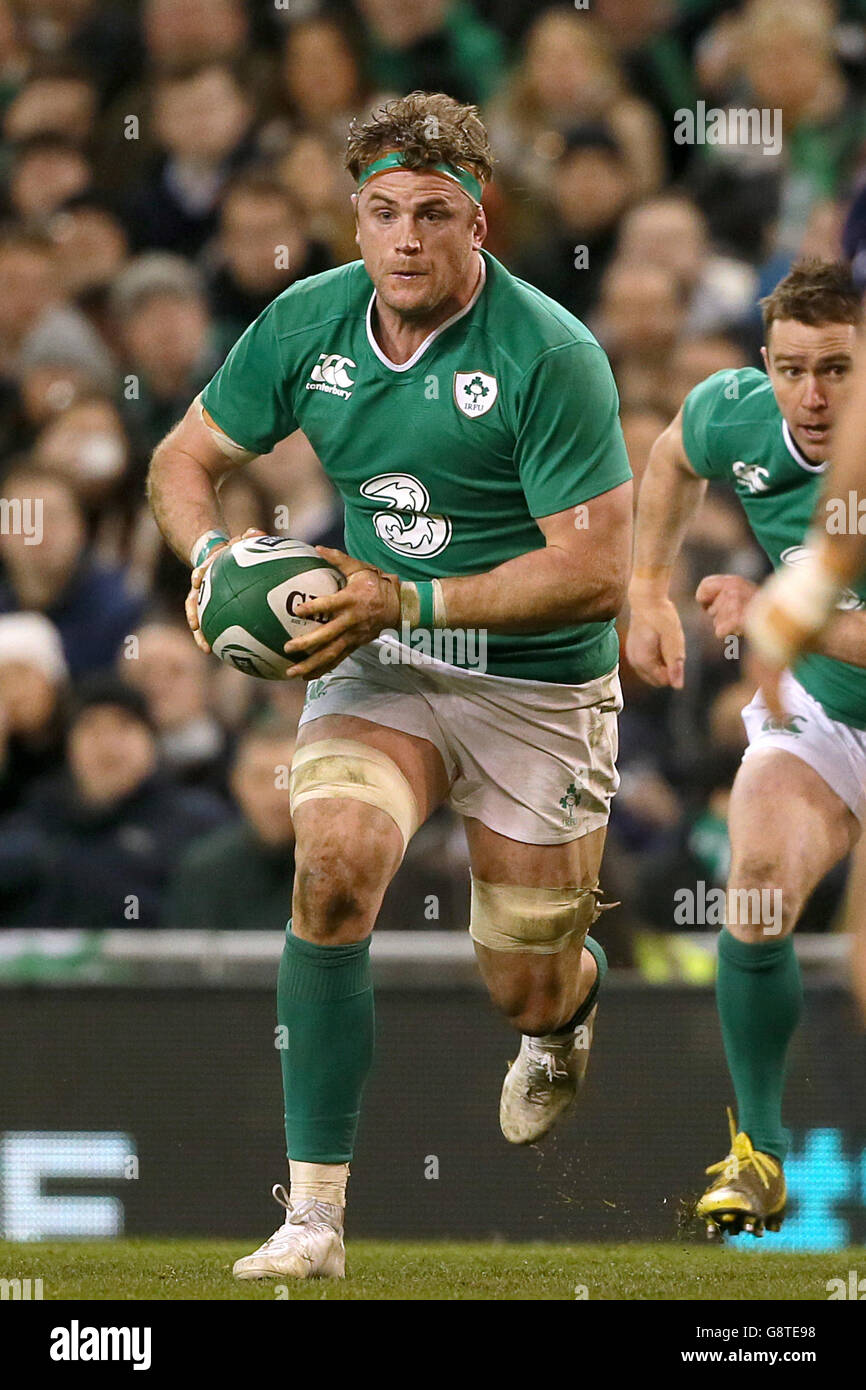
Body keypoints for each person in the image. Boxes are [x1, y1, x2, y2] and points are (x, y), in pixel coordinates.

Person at [147, 91, 632, 1279]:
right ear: (352, 223)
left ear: (480, 222)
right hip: (381, 662)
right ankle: (314, 1218)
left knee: (520, 979)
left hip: (535, 688)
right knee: (331, 871)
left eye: (433, 213)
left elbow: (593, 575)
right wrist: (212, 560)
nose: (405, 237)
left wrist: (406, 597)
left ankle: (562, 1014)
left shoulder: (549, 352)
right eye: (381, 214)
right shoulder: (307, 324)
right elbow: (184, 459)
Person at [625, 259, 864, 1238]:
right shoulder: (734, 414)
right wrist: (644, 589)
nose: (810, 395)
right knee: (755, 885)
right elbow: (670, 457)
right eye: (791, 368)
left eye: (837, 370)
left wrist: (772, 612)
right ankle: (756, 1153)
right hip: (823, 716)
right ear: (763, 364)